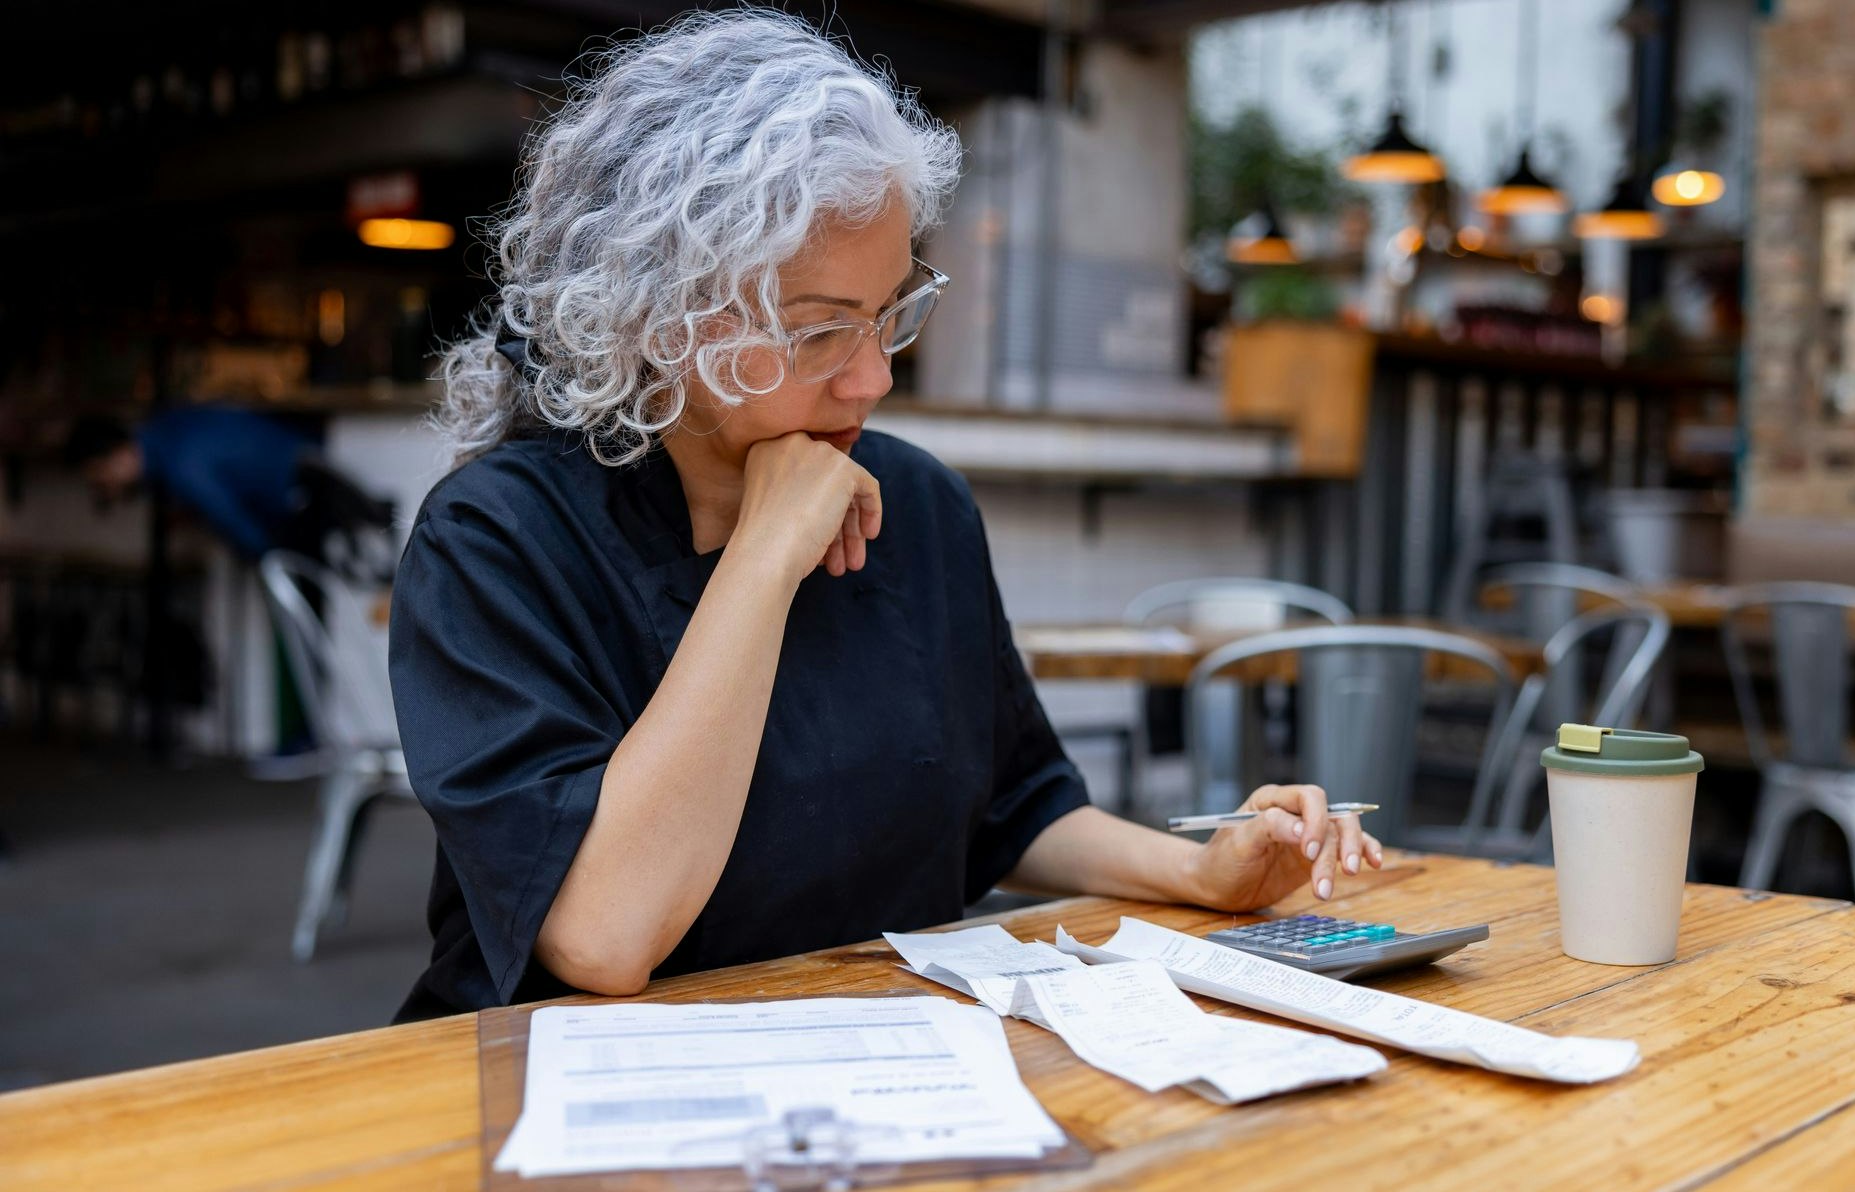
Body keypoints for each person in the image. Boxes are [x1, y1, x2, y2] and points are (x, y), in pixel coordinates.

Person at [391, 9, 1384, 1022]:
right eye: (821, 330)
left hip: (886, 1067)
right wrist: (765, 557)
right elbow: (603, 936)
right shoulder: (496, 543)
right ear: (655, 318)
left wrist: (1201, 874)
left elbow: (1015, 806)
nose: (871, 378)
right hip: (564, 1111)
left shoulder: (915, 504)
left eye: (888, 316)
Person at [64, 407, 393, 575]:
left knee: (371, 575)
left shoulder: (178, 465)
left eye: (100, 476)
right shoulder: (165, 429)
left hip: (304, 489)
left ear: (117, 457)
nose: (106, 486)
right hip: (304, 462)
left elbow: (230, 517)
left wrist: (261, 553)